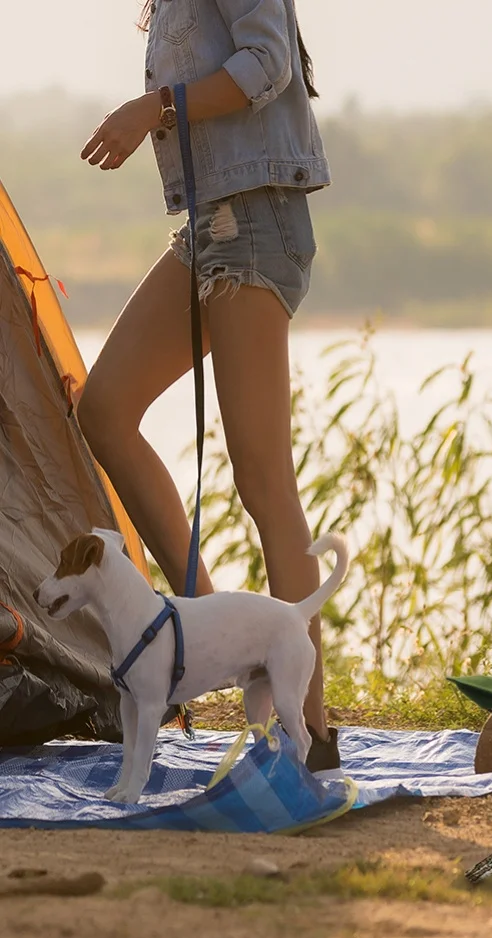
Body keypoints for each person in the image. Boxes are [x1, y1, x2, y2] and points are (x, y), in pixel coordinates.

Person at [75, 0, 340, 772]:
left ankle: (313, 741)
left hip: (257, 223)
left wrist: (150, 108)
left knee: (263, 480)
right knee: (106, 410)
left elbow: (268, 63)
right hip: (210, 227)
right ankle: (218, 636)